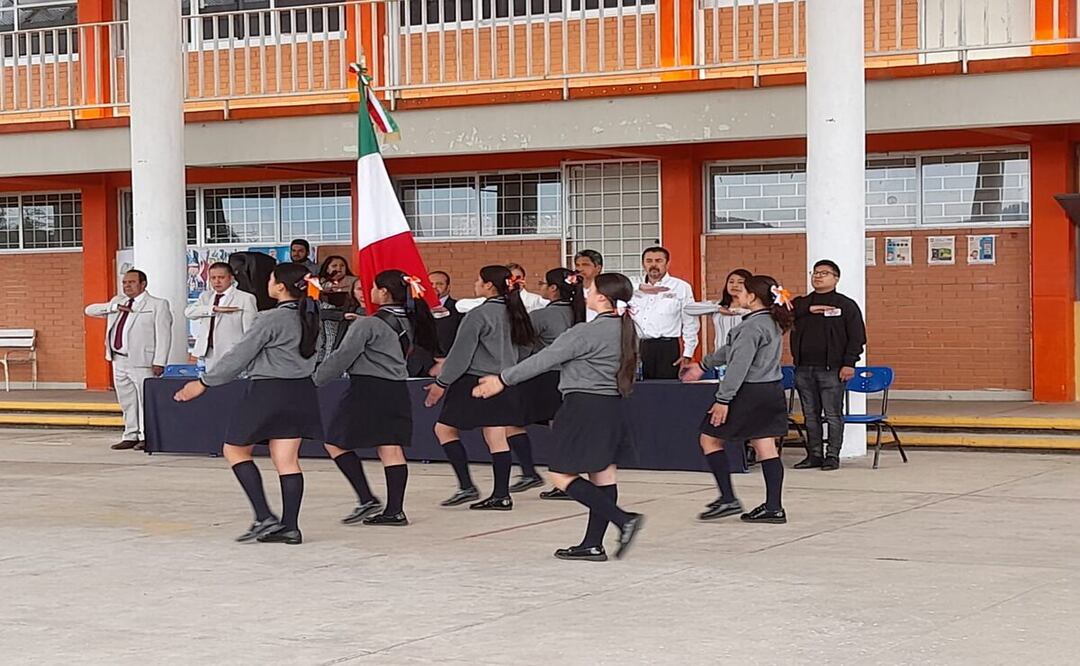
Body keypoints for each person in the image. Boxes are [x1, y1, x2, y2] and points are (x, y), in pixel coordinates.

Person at [473, 273, 645, 561]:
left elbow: (545, 359)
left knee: (560, 474)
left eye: (591, 288)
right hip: (612, 406)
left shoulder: (586, 332)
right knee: (603, 475)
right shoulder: (626, 330)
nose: (586, 292)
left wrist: (502, 379)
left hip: (583, 406)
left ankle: (623, 519)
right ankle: (592, 545)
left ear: (603, 297)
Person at [173, 263, 323, 545]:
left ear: (280, 287)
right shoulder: (312, 316)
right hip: (302, 391)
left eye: (271, 279)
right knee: (287, 459)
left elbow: (240, 355)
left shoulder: (270, 319)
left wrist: (204, 382)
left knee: (234, 449)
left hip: (269, 390)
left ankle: (264, 516)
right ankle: (290, 527)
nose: (268, 282)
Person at [314, 270, 441, 527]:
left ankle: (367, 498)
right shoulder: (412, 319)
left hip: (368, 389)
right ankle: (395, 510)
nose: (369, 292)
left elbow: (342, 356)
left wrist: (315, 380)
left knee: (335, 441)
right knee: (390, 448)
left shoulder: (368, 323)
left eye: (373, 287)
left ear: (384, 292)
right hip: (396, 388)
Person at [681, 275, 794, 524]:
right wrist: (704, 364)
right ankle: (774, 507)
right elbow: (731, 350)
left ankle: (728, 497)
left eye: (742, 290)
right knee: (765, 446)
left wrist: (723, 400)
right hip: (770, 389)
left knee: (709, 439)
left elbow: (738, 365)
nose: (736, 294)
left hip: (748, 391)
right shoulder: (769, 321)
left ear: (752, 297)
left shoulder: (750, 327)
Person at [424, 265, 536, 511]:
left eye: (478, 280)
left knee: (444, 429)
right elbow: (527, 347)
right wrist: (508, 365)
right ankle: (501, 494)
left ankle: (466, 485)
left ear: (488, 285)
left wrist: (442, 382)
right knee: (496, 436)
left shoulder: (479, 315)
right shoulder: (516, 312)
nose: (475, 284)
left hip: (475, 382)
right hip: (503, 380)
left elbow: (461, 355)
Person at [506, 267, 587, 494]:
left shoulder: (542, 316)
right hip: (571, 376)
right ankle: (567, 478)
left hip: (544, 375)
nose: (540, 287)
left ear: (553, 288)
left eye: (543, 283)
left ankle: (530, 472)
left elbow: (523, 344)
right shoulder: (579, 313)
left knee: (511, 423)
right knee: (560, 428)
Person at [84, 269, 173, 451]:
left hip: (143, 360)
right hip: (119, 359)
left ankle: (147, 436)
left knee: (145, 400)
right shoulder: (118, 302)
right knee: (127, 400)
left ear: (143, 284)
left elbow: (164, 335)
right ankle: (131, 434)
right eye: (124, 282)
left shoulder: (157, 304)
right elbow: (89, 310)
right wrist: (114, 308)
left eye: (131, 282)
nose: (127, 286)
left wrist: (160, 361)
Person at [791, 260, 867, 471]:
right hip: (804, 369)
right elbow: (782, 312)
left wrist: (849, 363)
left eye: (824, 273)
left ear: (836, 278)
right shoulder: (802, 304)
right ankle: (814, 454)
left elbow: (857, 337)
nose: (818, 276)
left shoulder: (845, 305)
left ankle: (832, 455)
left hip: (832, 369)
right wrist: (810, 308)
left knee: (833, 415)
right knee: (810, 415)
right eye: (815, 272)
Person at [630, 246, 700, 379]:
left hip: (667, 348)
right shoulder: (632, 286)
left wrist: (688, 353)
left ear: (667, 263)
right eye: (649, 261)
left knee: (666, 388)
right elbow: (611, 286)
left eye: (659, 261)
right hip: (639, 346)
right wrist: (639, 287)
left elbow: (690, 322)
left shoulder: (681, 287)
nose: (653, 265)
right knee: (638, 388)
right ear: (643, 264)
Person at [185, 262, 258, 373]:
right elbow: (189, 312)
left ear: (231, 278)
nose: (217, 281)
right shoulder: (206, 296)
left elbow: (250, 331)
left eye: (221, 277)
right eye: (213, 278)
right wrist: (213, 309)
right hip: (208, 353)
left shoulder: (245, 298)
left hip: (232, 353)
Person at [684, 268, 753, 356]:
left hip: (744, 356)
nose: (734, 285)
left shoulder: (753, 308)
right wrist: (717, 309)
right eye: (731, 282)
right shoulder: (718, 305)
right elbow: (688, 309)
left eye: (740, 282)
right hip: (720, 356)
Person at [455, 263, 549, 315]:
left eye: (518, 278)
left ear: (524, 279)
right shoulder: (492, 300)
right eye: (511, 278)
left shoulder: (535, 300)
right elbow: (460, 305)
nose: (514, 281)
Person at [429, 270, 463, 354]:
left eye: (439, 284)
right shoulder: (417, 308)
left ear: (448, 287)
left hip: (448, 357)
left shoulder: (458, 309)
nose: (434, 287)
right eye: (430, 284)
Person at [574, 249, 604, 322]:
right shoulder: (573, 290)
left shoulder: (606, 289)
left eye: (585, 265)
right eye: (577, 265)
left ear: (598, 268)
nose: (580, 269)